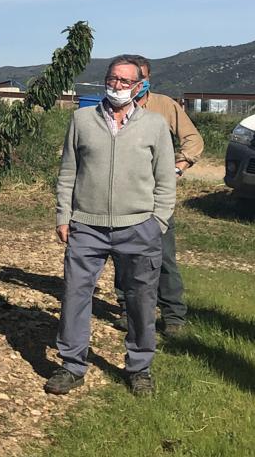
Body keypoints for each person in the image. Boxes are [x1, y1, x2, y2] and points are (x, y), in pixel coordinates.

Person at [45, 55, 175, 397]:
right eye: (112, 79)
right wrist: (63, 215)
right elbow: (68, 172)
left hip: (138, 227)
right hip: (86, 225)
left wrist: (157, 220)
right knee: (75, 295)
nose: (116, 86)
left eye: (124, 81)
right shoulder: (82, 119)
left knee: (141, 299)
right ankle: (72, 365)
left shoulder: (155, 126)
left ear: (139, 86)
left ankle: (139, 367)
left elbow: (165, 179)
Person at [113, 56, 203, 336]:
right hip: (120, 196)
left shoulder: (164, 106)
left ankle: (173, 316)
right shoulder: (112, 109)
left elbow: (194, 140)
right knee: (124, 256)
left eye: (142, 77)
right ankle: (129, 311)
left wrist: (178, 166)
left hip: (155, 196)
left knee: (162, 255)